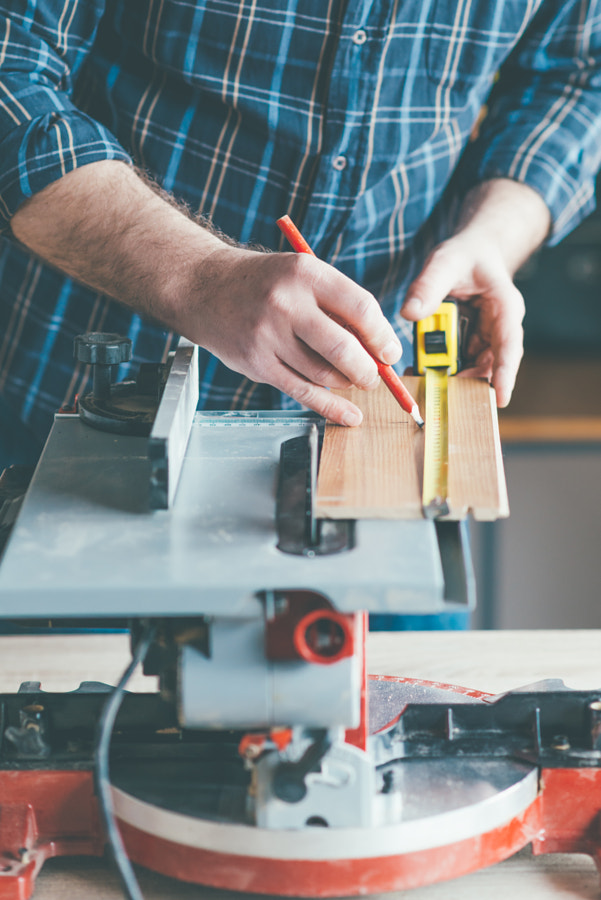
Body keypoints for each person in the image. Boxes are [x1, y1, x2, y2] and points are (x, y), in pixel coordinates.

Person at [0, 3, 599, 628]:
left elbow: (577, 76)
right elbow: (10, 73)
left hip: (382, 462)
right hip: (87, 436)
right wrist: (201, 277)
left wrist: (494, 236)